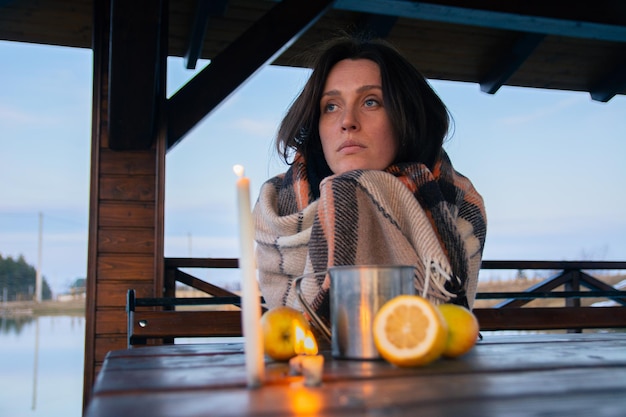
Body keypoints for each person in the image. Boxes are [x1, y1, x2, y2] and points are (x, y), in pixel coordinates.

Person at [253, 32, 487, 322]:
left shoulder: (458, 201)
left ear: (406, 116)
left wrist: (363, 195)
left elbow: (443, 327)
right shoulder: (276, 207)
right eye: (331, 106)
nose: (347, 121)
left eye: (371, 102)